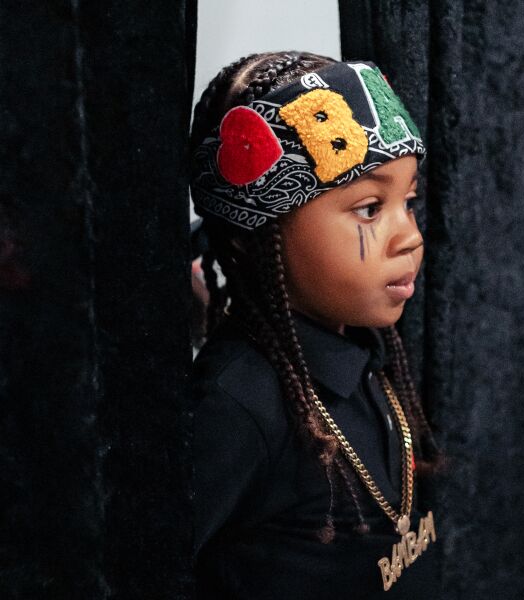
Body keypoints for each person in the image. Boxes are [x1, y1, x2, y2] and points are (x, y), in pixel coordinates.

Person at [189, 51, 438, 597]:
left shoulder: (370, 350)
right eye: (370, 208)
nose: (410, 236)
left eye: (409, 200)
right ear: (258, 235)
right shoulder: (235, 405)